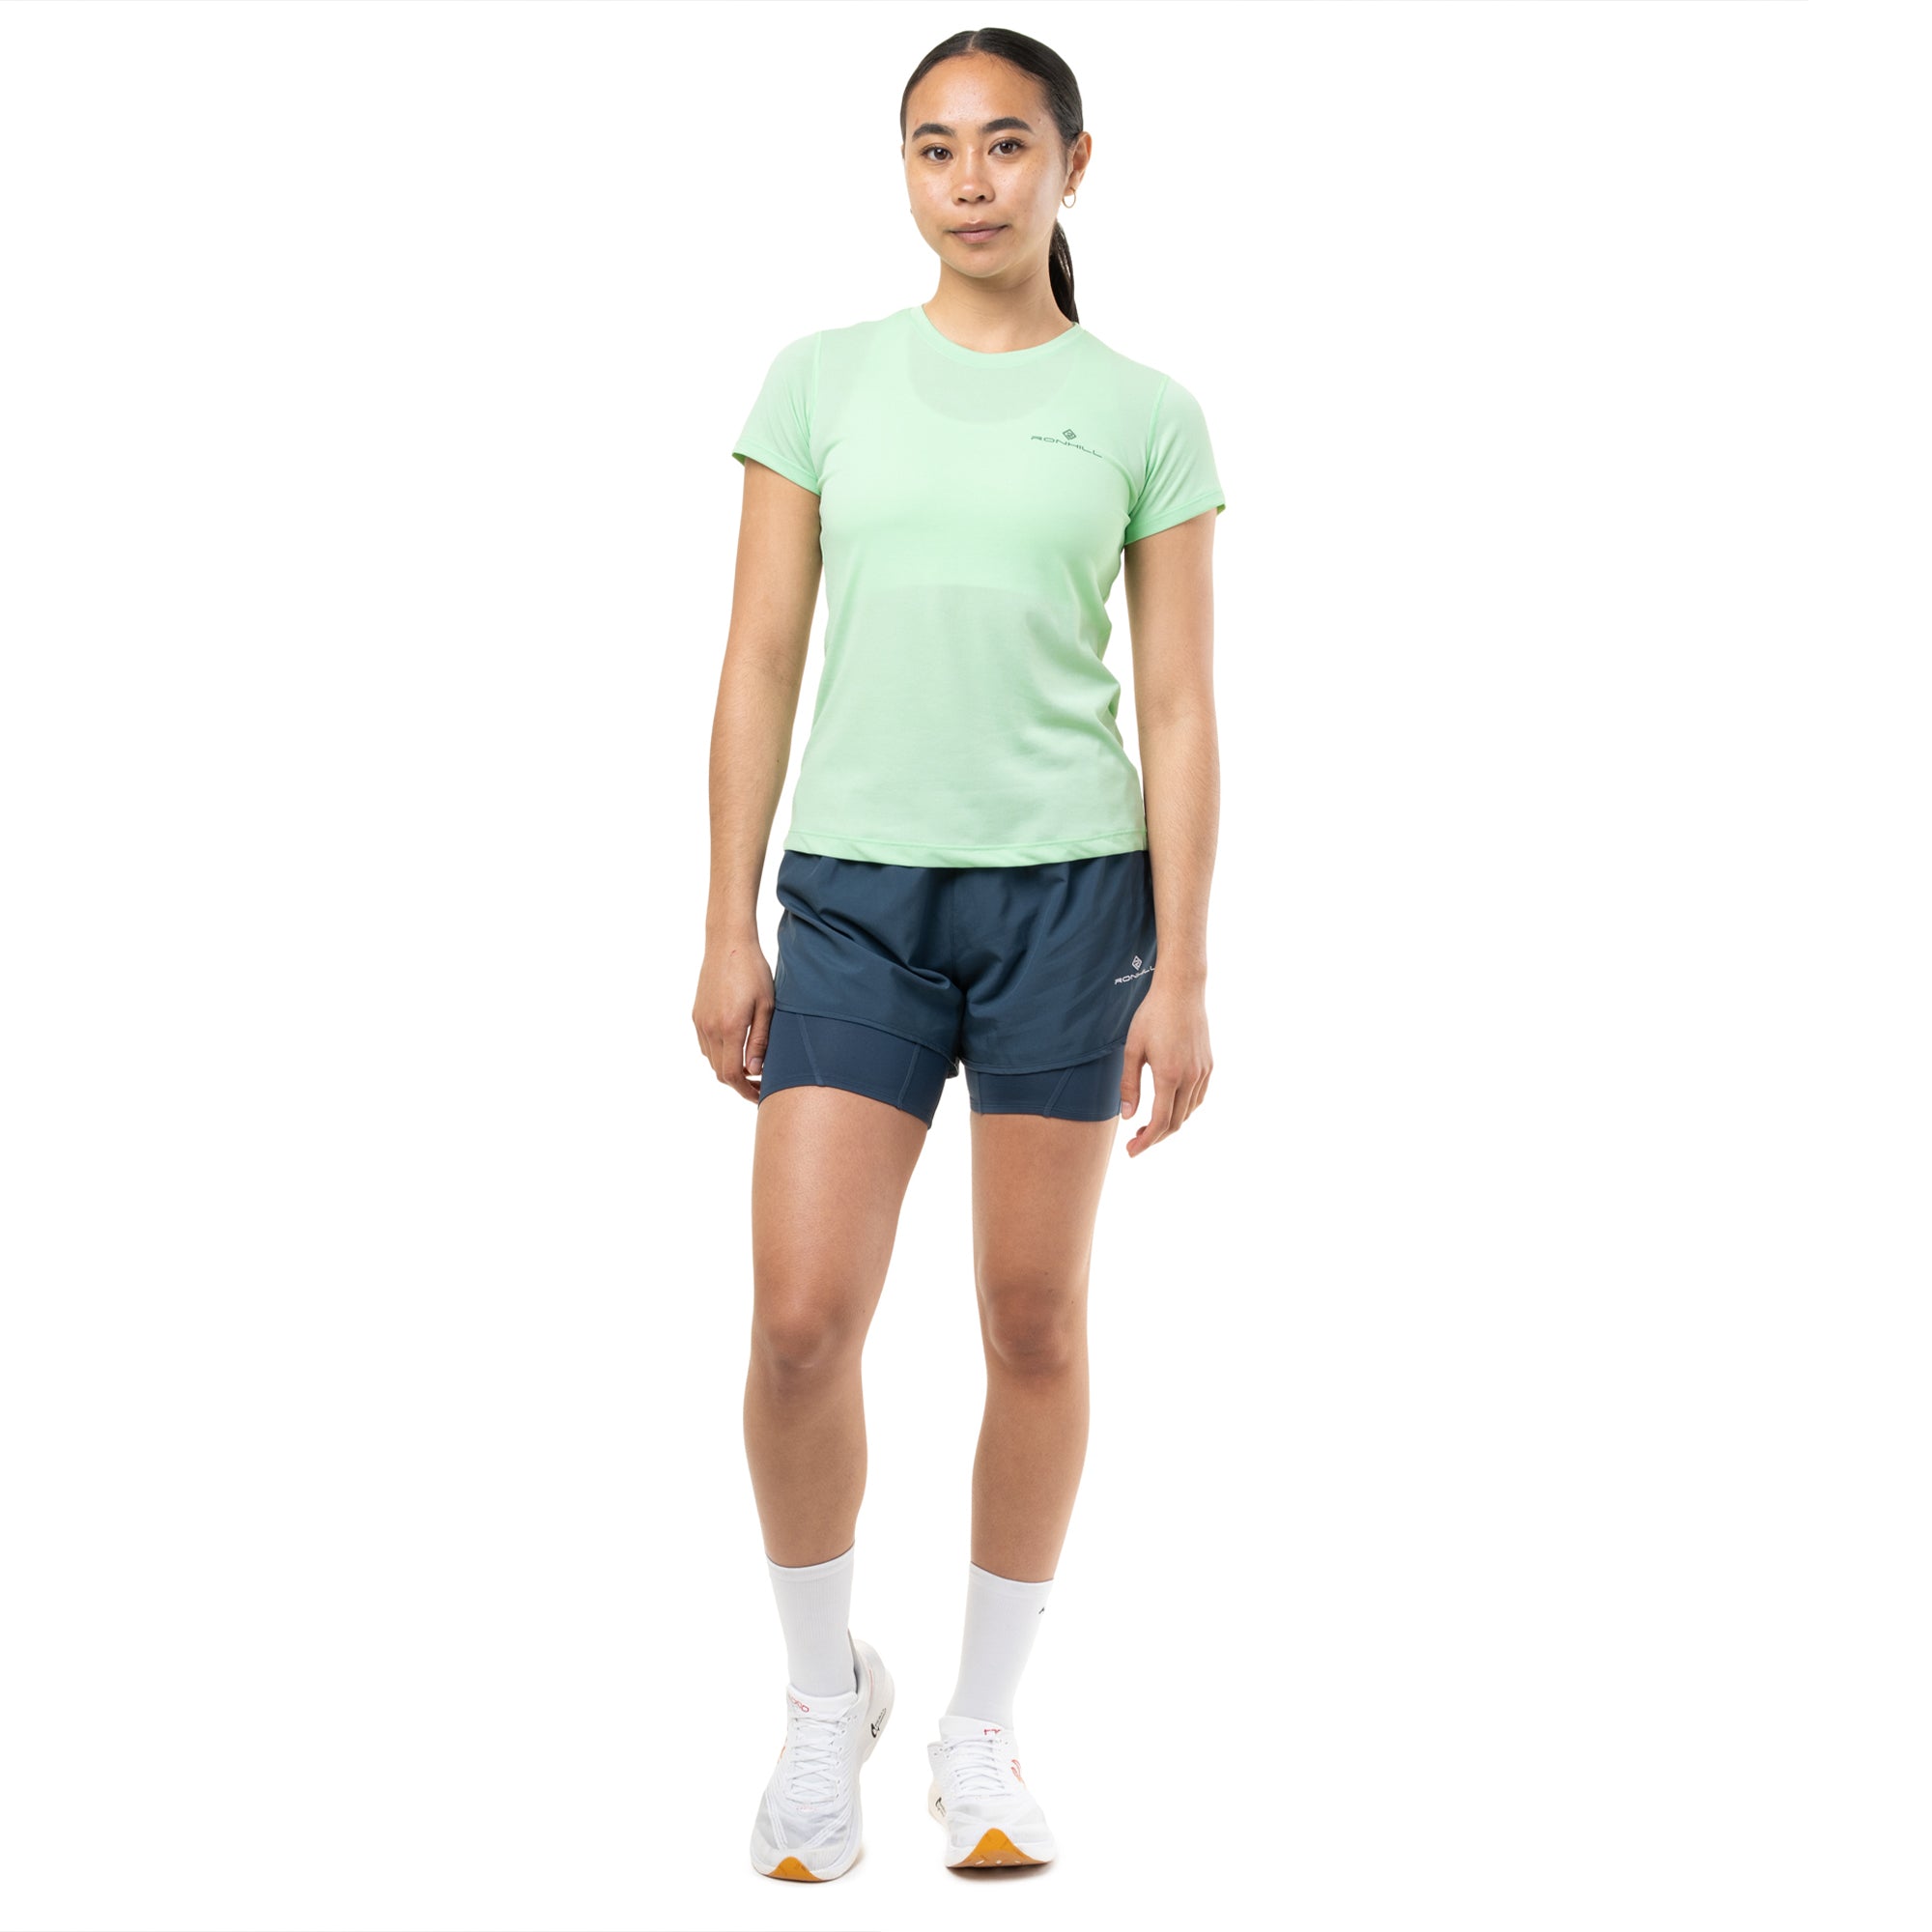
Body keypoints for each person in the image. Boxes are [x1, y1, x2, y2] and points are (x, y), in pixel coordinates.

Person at [693, 26, 1224, 1882]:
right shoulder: (821, 380)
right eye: (935, 146)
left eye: (1007, 143)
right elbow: (761, 659)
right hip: (855, 900)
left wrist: (1185, 967)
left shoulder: (1146, 412)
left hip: (1071, 903)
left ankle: (984, 1730)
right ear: (904, 170)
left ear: (1076, 161)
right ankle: (821, 1699)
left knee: (1034, 1321)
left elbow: (1179, 702)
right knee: (798, 1323)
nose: (972, 180)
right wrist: (725, 918)